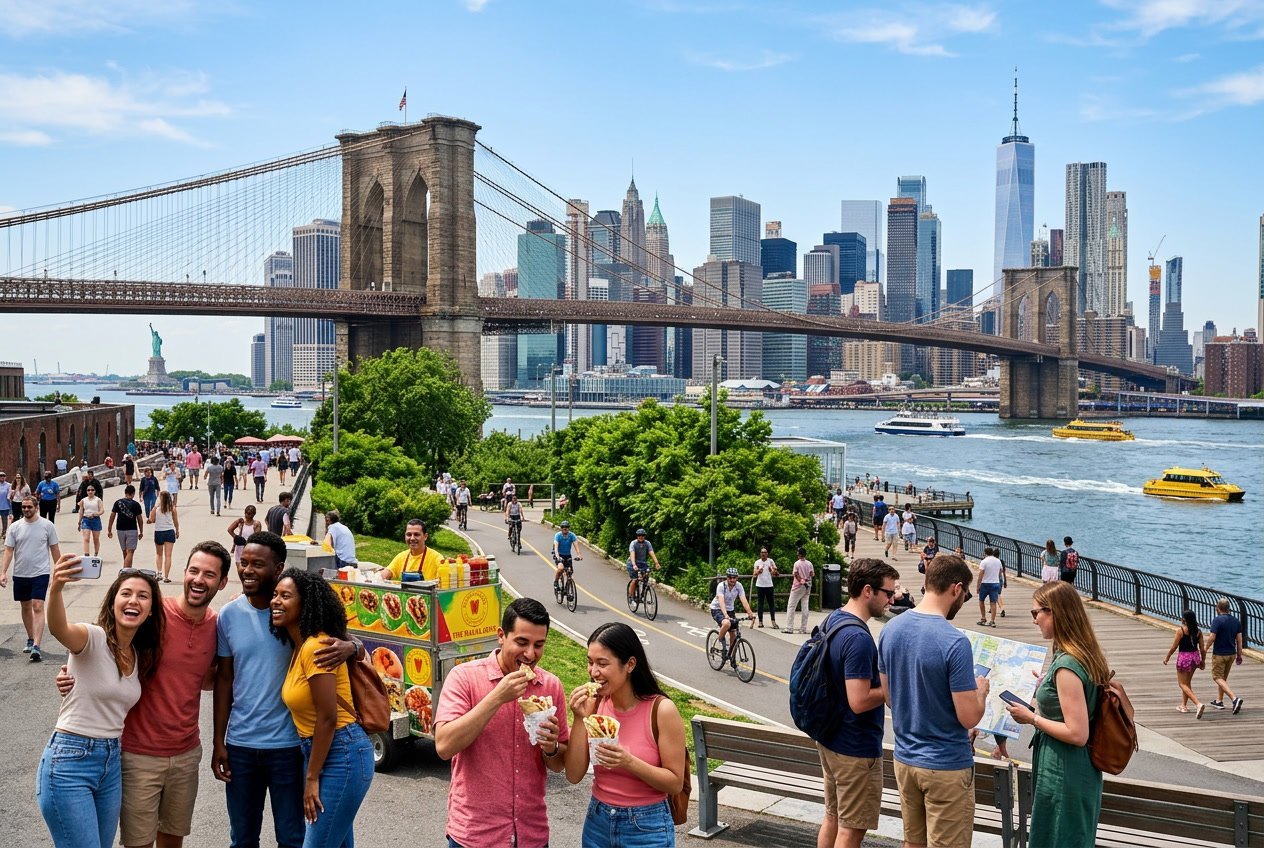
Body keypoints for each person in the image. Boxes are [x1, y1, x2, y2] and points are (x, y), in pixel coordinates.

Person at [56, 542, 231, 848]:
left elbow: (206, 678)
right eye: (193, 571)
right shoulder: (153, 612)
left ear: (222, 582)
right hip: (138, 753)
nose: (199, 580)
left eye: (209, 574)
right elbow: (103, 644)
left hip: (187, 752)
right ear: (183, 572)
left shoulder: (218, 625)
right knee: (137, 843)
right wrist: (69, 673)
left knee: (173, 839)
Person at [212, 531, 358, 848]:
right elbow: (224, 680)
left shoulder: (298, 619)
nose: (247, 570)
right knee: (242, 838)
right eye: (243, 562)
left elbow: (338, 637)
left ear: (278, 569)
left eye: (257, 564)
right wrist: (217, 741)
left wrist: (351, 646)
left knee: (293, 838)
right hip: (240, 746)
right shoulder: (229, 616)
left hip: (290, 748)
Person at [37, 557, 165, 848]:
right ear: (112, 603)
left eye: (143, 596)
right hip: (70, 760)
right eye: (126, 593)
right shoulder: (93, 637)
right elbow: (59, 629)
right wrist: (55, 588)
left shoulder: (136, 654)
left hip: (110, 763)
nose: (134, 600)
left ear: (150, 611)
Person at [434, 598, 568, 848]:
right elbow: (444, 745)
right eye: (522, 642)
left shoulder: (551, 686)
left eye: (539, 645)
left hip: (532, 835)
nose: (530, 654)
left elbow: (559, 764)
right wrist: (497, 697)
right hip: (475, 836)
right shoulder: (465, 677)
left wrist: (551, 748)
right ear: (501, 636)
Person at [878, 553, 987, 848]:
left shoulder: (890, 630)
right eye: (966, 593)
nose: (963, 600)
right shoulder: (955, 642)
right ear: (956, 588)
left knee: (913, 843)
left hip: (905, 759)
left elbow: (889, 697)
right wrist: (981, 692)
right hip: (946, 766)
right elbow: (969, 718)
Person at [270, 568, 375, 846]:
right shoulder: (299, 646)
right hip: (322, 750)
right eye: (275, 595)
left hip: (343, 753)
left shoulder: (316, 646)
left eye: (285, 596)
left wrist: (311, 777)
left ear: (305, 604)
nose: (276, 601)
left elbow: (327, 717)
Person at [1004, 580, 1111, 848]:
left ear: (1054, 612)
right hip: (1074, 768)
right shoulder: (1083, 655)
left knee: (1057, 838)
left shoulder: (1067, 664)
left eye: (1035, 613)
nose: (1034, 620)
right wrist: (1047, 689)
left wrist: (1032, 719)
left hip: (1064, 770)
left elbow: (1077, 733)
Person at [564, 622, 686, 848]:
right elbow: (573, 774)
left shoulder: (661, 710)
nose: (593, 672)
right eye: (590, 662)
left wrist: (628, 762)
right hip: (597, 821)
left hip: (647, 826)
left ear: (630, 664)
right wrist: (580, 718)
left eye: (602, 663)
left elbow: (675, 783)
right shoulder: (595, 704)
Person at [816, 558, 899, 848]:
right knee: (852, 829)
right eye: (888, 593)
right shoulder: (859, 638)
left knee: (833, 817)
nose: (892, 599)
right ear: (868, 591)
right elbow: (860, 700)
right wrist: (890, 688)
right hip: (855, 746)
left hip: (831, 738)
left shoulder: (834, 619)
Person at [0, 495, 61, 662]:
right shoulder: (15, 527)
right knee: (26, 606)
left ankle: (37, 645)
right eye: (24, 507)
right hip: (20, 573)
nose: (26, 510)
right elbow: (9, 550)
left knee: (37, 605)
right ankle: (30, 637)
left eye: (29, 507)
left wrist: (59, 569)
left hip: (40, 572)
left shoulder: (47, 526)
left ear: (36, 507)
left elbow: (54, 549)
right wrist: (3, 572)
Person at [1164, 609, 1208, 718]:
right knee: (1187, 683)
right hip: (1194, 657)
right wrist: (1203, 661)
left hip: (1184, 658)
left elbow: (1174, 647)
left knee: (1182, 684)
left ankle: (1198, 704)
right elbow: (1202, 649)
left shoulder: (1181, 631)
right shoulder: (1198, 632)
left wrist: (1167, 657)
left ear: (1184, 619)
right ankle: (1183, 705)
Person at [710, 568, 755, 669]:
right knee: (726, 623)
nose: (732, 580)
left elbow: (743, 600)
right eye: (730, 577)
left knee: (734, 635)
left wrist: (750, 613)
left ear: (737, 578)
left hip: (730, 610)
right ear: (727, 578)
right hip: (717, 609)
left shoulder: (739, 586)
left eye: (734, 578)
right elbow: (721, 601)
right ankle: (720, 639)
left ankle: (732, 657)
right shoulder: (721, 586)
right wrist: (725, 614)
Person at [1206, 598, 1245, 713]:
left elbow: (1212, 637)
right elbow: (1239, 640)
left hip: (1219, 654)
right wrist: (1239, 655)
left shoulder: (1217, 620)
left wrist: (1205, 648)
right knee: (1223, 678)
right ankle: (1219, 701)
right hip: (1231, 654)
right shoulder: (1236, 621)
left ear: (1218, 609)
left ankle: (1234, 699)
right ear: (1228, 609)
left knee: (1217, 677)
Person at [107, 484, 144, 569]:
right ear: (133, 493)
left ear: (125, 493)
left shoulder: (118, 502)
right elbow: (140, 519)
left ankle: (127, 569)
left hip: (120, 529)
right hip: (132, 529)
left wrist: (109, 529)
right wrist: (141, 531)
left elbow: (112, 516)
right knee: (130, 551)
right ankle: (126, 570)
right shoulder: (136, 504)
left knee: (124, 551)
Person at [149, 491, 180, 583]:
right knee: (168, 556)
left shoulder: (157, 509)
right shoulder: (172, 508)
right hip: (169, 531)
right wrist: (177, 530)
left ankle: (159, 573)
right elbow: (176, 521)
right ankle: (166, 577)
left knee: (159, 554)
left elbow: (152, 519)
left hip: (159, 531)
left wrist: (155, 507)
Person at [786, 547, 814, 635]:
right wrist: (806, 580)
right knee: (805, 606)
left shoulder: (797, 564)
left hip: (798, 586)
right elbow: (812, 574)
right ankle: (803, 628)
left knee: (791, 606)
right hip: (807, 585)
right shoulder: (809, 564)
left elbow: (795, 574)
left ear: (799, 554)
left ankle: (789, 627)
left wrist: (801, 580)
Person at [976, 547, 1004, 628]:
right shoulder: (997, 560)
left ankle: (983, 618)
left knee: (981, 601)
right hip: (995, 583)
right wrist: (996, 576)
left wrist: (978, 586)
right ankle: (992, 621)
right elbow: (1001, 570)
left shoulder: (984, 561)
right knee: (993, 602)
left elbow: (981, 574)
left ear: (985, 553)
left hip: (985, 583)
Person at [752, 547, 779, 629]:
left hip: (769, 585)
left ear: (767, 553)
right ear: (760, 553)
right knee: (760, 604)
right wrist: (758, 571)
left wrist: (773, 570)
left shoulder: (770, 561)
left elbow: (776, 573)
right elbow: (754, 574)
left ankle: (773, 621)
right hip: (760, 585)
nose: (763, 554)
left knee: (771, 604)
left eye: (765, 552)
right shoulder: (757, 562)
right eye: (762, 552)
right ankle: (760, 621)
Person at [552, 519, 583, 587]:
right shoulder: (558, 535)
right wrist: (558, 557)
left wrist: (579, 555)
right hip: (559, 555)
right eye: (563, 527)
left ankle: (568, 589)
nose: (565, 528)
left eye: (566, 527)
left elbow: (576, 546)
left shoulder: (572, 535)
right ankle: (556, 581)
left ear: (568, 528)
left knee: (570, 572)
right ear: (561, 528)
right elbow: (556, 548)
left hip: (567, 555)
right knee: (560, 569)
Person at [77, 483, 105, 557]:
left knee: (96, 539)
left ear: (94, 491)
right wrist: (79, 522)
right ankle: (87, 554)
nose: (90, 491)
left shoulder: (98, 500)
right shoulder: (83, 500)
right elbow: (81, 511)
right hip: (86, 520)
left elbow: (102, 510)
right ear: (86, 491)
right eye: (88, 490)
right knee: (86, 538)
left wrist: (97, 513)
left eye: (92, 490)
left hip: (95, 520)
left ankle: (96, 553)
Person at [0, 470, 12, 539]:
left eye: (3, 476)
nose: (2, 477)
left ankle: (4, 533)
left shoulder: (8, 485)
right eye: (0, 476)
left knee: (5, 521)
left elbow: (9, 496)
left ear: (5, 477)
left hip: (5, 506)